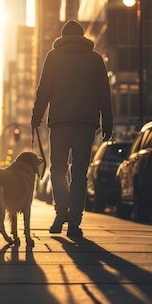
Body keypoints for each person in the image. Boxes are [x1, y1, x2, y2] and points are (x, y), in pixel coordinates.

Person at [31, 20, 113, 238]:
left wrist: (36, 116)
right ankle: (74, 222)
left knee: (57, 169)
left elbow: (44, 89)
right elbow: (104, 92)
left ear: (63, 36)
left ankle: (61, 210)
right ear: (82, 35)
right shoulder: (95, 59)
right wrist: (108, 121)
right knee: (79, 173)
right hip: (86, 123)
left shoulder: (53, 56)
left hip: (60, 122)